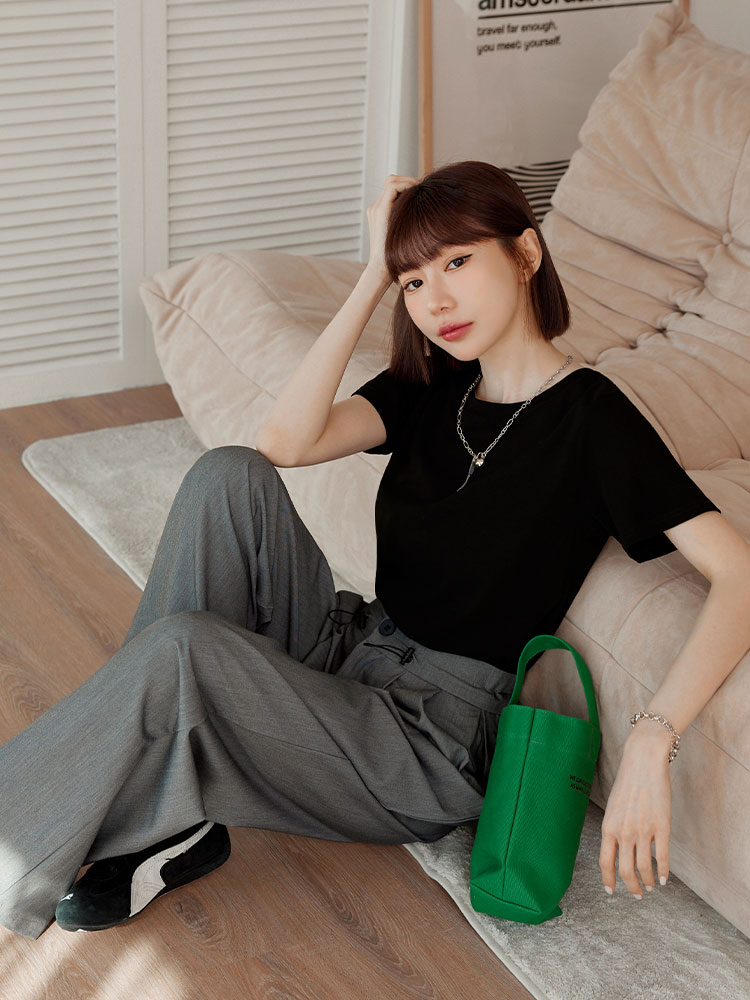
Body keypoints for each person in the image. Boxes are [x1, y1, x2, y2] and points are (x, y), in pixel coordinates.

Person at [2, 162, 749, 941]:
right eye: (415, 281)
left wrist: (654, 738)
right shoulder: (437, 385)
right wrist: (371, 276)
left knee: (184, 651)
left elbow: (738, 575)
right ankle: (165, 814)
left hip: (423, 743)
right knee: (229, 475)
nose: (437, 300)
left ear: (526, 253)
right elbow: (284, 443)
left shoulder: (593, 419)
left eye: (458, 263)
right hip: (351, 646)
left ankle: (26, 847)